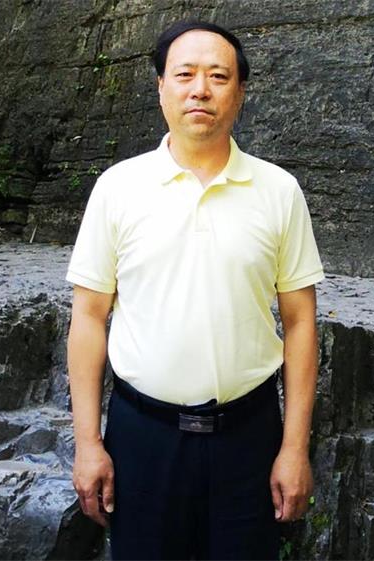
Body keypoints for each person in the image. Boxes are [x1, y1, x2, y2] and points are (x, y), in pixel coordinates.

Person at [66, 20, 325, 561]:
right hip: (143, 436)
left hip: (249, 436)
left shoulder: (279, 192)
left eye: (218, 76)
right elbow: (89, 317)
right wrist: (88, 443)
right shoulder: (118, 188)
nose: (200, 89)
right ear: (161, 86)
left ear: (240, 91)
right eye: (184, 75)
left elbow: (301, 322)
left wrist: (293, 448)